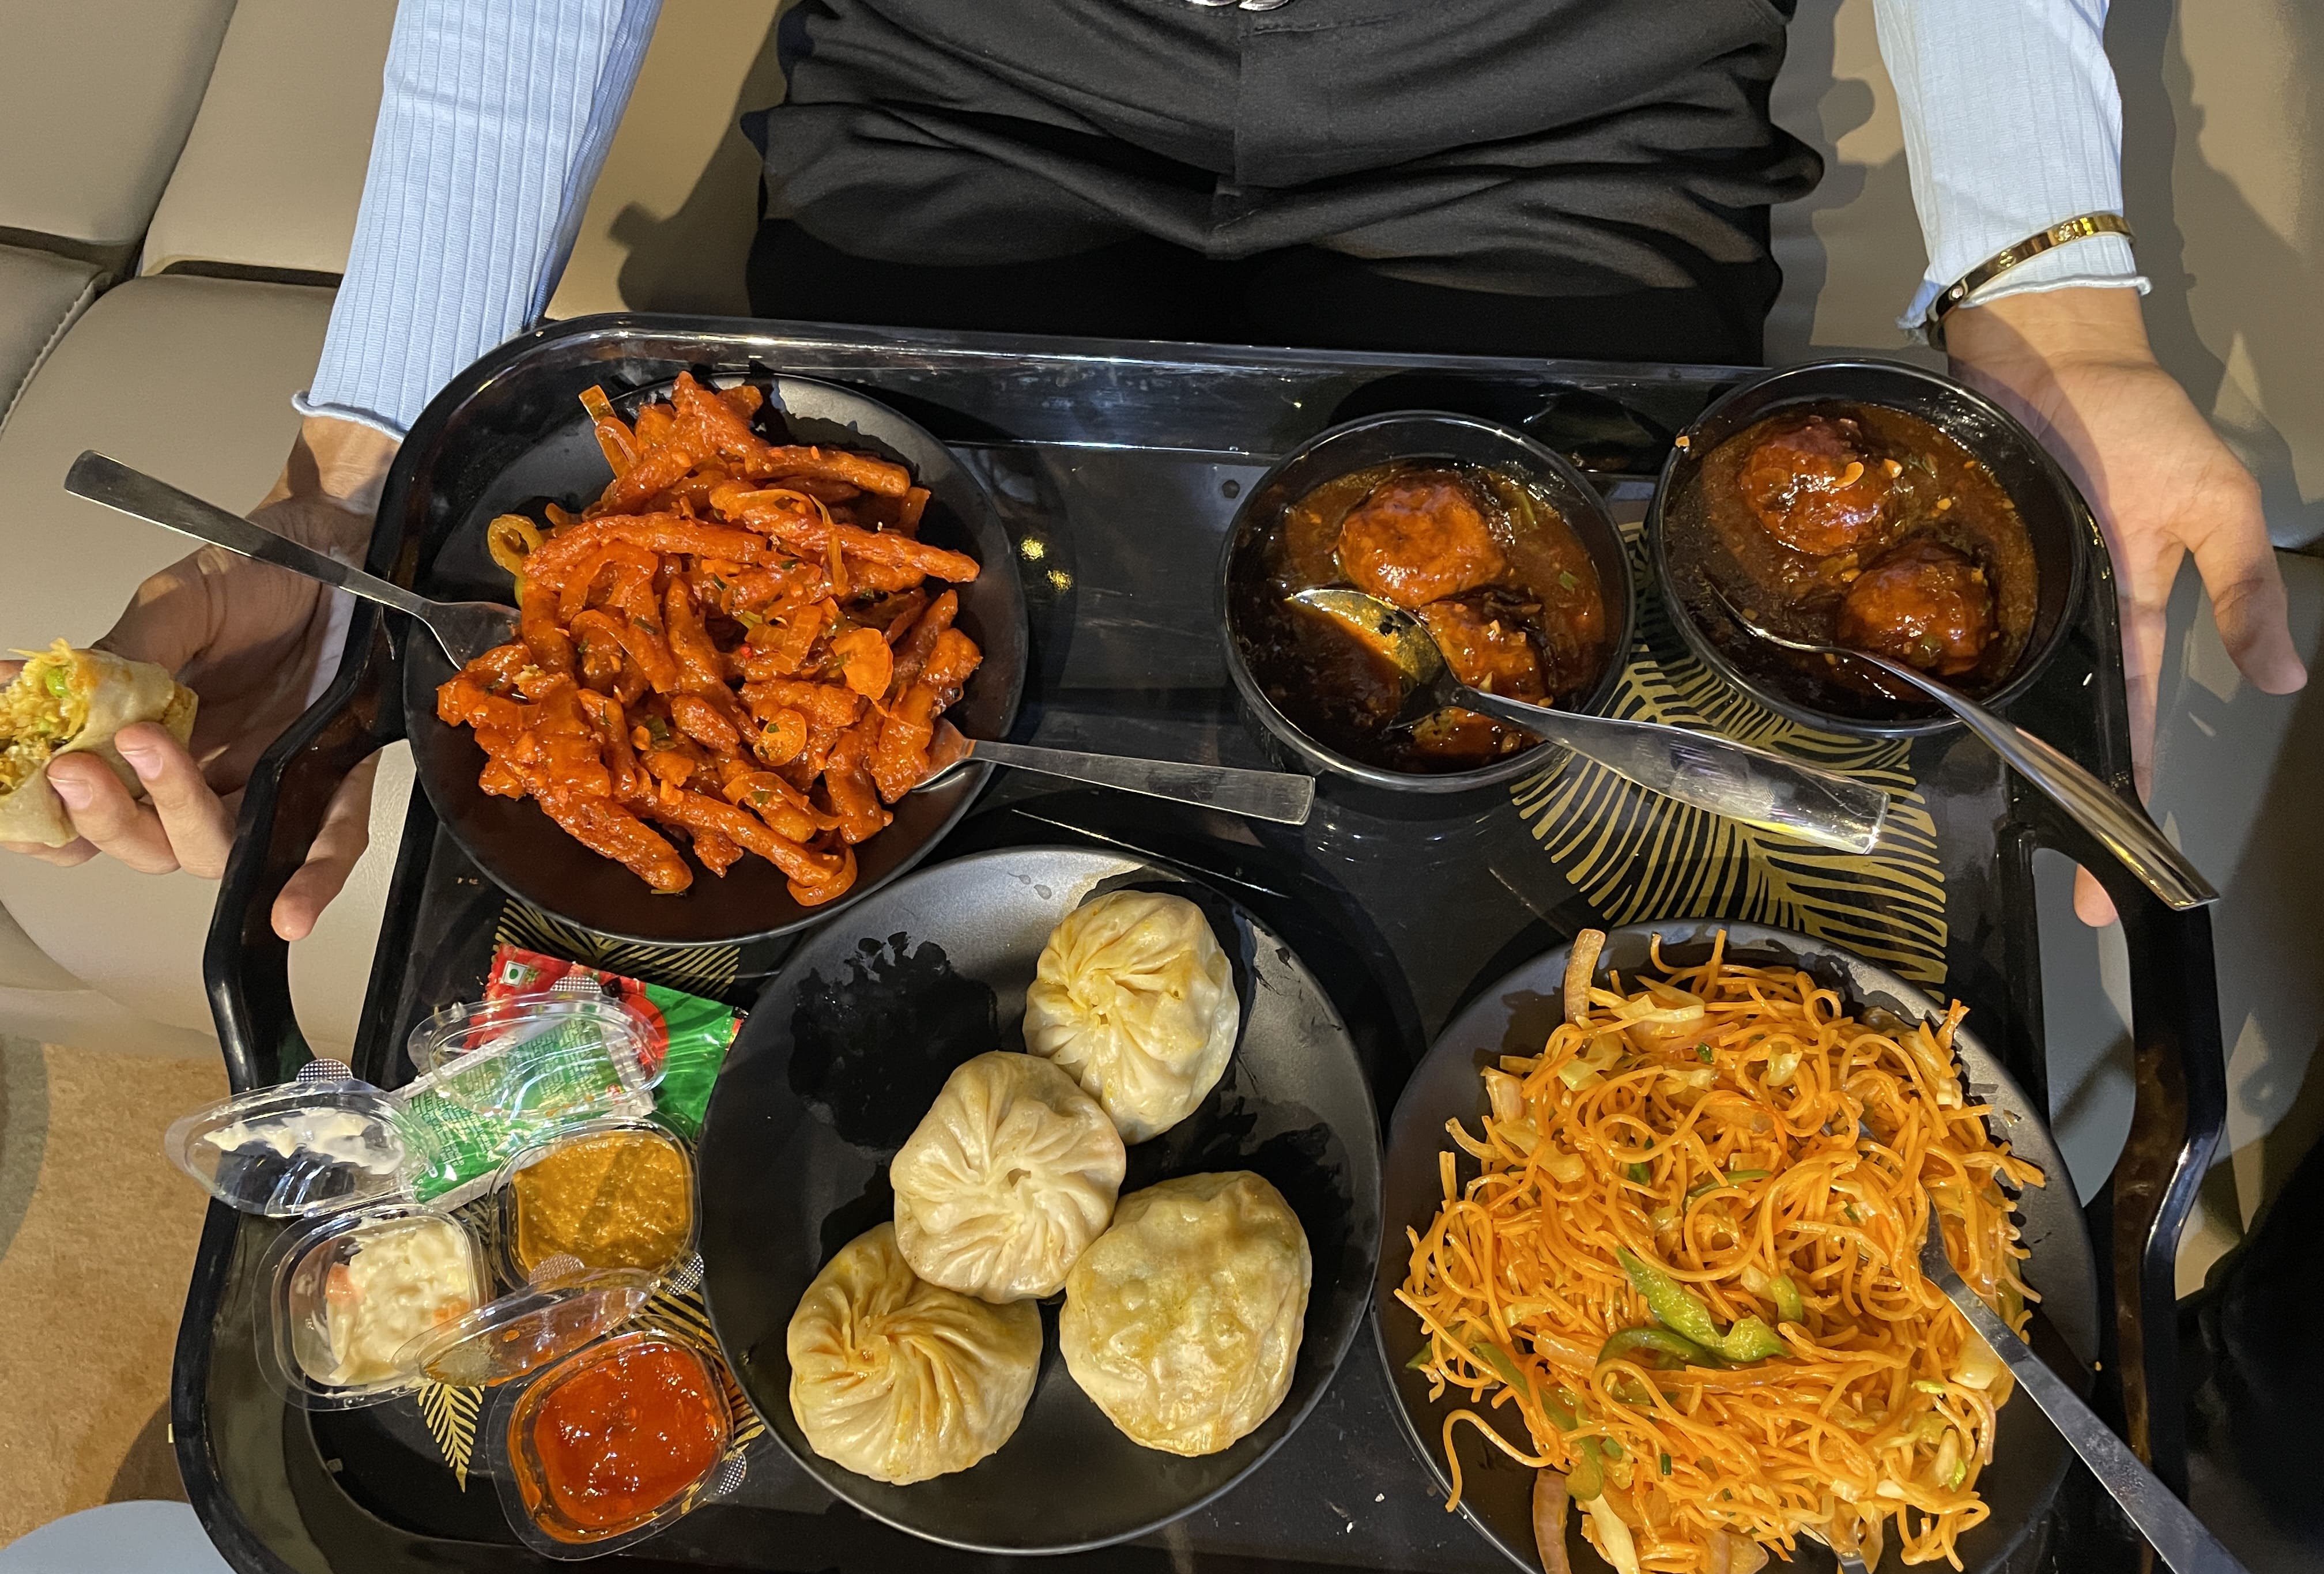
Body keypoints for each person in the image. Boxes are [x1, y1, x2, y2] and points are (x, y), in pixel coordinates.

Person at [9, 0, 2301, 938]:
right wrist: (349, 481)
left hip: (1553, 102)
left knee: (1483, 862)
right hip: (971, 79)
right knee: (866, 877)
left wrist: (2062, 293)